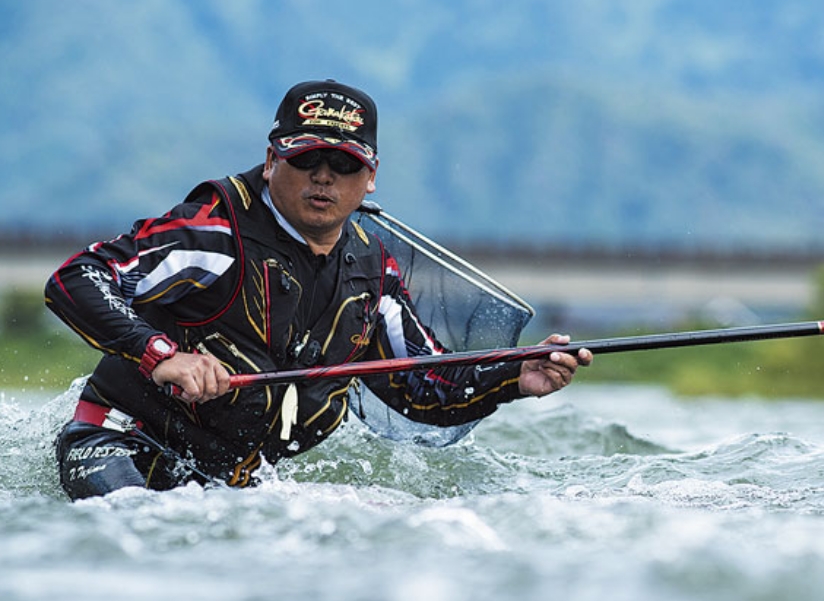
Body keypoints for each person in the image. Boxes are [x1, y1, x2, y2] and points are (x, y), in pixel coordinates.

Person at [45, 79, 591, 500]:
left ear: (371, 177)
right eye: (306, 159)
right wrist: (160, 354)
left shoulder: (374, 273)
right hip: (118, 440)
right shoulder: (212, 233)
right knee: (140, 528)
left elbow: (423, 386)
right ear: (271, 161)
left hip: (230, 480)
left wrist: (514, 376)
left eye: (344, 164)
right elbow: (75, 280)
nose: (323, 177)